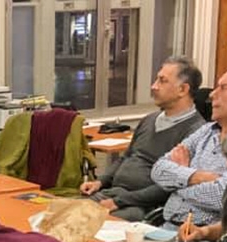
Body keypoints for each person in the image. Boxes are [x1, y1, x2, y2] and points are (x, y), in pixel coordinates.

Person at [80, 56, 205, 221]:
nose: (154, 86)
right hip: (113, 194)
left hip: (141, 206)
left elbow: (170, 185)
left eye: (162, 81)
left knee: (86, 223)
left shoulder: (196, 132)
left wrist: (119, 201)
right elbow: (125, 158)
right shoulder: (149, 119)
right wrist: (100, 182)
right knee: (61, 213)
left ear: (183, 89)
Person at [151, 61, 227, 226]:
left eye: (223, 88)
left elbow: (224, 196)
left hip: (209, 237)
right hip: (167, 227)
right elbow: (159, 169)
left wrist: (179, 180)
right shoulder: (207, 131)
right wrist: (199, 176)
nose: (212, 95)